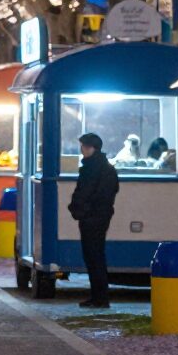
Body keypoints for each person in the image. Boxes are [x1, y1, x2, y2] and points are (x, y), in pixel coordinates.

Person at [67, 131, 119, 310]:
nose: (81, 150)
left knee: (93, 256)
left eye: (83, 146)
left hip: (92, 218)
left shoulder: (91, 168)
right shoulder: (106, 168)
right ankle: (98, 296)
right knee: (96, 256)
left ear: (90, 148)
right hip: (100, 216)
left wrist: (79, 210)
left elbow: (86, 193)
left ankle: (99, 298)